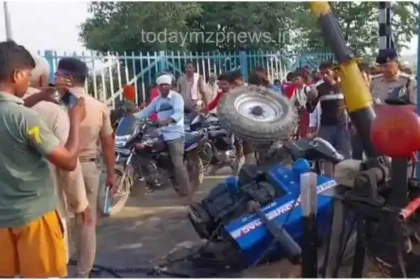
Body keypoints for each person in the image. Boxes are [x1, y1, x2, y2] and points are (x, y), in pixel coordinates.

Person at [0, 40, 86, 278]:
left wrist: (37, 98)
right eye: (27, 75)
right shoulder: (27, 119)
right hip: (34, 220)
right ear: (16, 74)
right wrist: (76, 120)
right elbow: (68, 162)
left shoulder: (20, 112)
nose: (29, 81)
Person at [26, 53, 90, 264]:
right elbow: (69, 166)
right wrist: (79, 204)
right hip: (44, 211)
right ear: (44, 79)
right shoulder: (53, 111)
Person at [54, 57, 115, 278]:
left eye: (58, 74)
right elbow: (108, 144)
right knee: (87, 222)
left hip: (59, 167)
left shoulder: (55, 105)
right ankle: (83, 272)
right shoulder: (98, 106)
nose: (54, 78)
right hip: (88, 168)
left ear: (68, 78)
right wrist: (111, 174)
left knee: (60, 219)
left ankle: (60, 267)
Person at [134, 74, 194, 204]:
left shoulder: (176, 97)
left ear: (170, 85)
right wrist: (130, 117)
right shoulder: (157, 100)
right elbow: (145, 113)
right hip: (161, 133)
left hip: (175, 133)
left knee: (178, 165)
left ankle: (188, 194)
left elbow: (178, 112)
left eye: (165, 84)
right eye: (161, 85)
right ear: (158, 87)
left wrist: (169, 120)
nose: (163, 87)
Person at [306, 62, 351, 161]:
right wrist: (309, 99)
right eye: (322, 74)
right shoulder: (319, 88)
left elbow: (349, 107)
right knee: (325, 156)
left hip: (342, 126)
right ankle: (328, 175)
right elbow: (310, 109)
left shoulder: (342, 86)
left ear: (334, 72)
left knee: (345, 155)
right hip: (325, 127)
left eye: (327, 72)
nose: (325, 76)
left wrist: (353, 124)